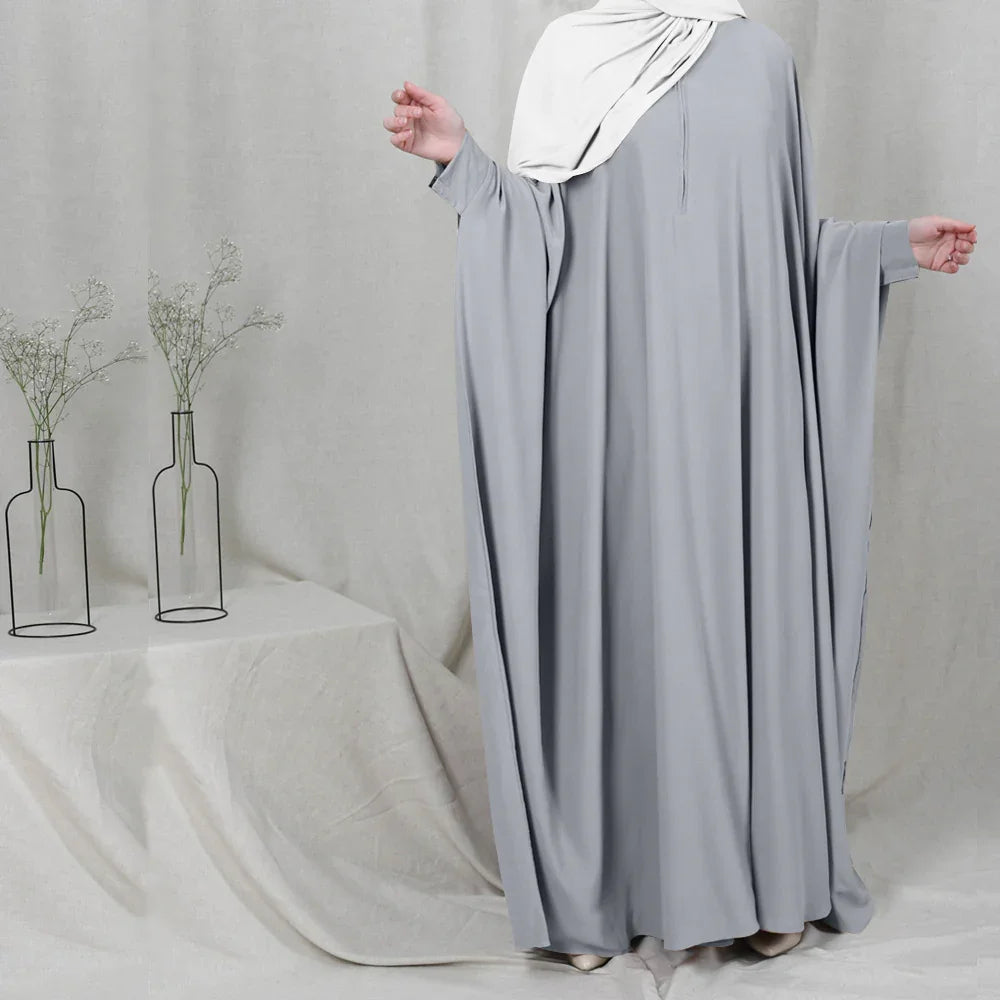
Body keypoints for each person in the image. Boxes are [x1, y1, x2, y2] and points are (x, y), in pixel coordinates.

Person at [384, 1, 976, 973]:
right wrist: (465, 164)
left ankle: (761, 884)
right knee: (617, 634)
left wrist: (879, 248)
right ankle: (598, 899)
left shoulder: (763, 60)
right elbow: (539, 235)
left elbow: (776, 249)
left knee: (743, 625)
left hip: (742, 422)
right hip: (610, 415)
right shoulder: (572, 53)